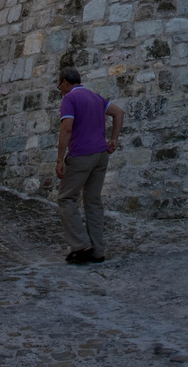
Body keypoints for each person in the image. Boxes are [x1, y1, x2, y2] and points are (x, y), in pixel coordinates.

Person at [55, 66, 124, 264]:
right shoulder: (95, 97)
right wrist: (113, 139)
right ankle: (97, 251)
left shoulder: (69, 98)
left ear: (66, 83)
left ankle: (80, 244)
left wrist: (60, 159)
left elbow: (67, 128)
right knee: (93, 201)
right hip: (101, 155)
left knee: (66, 198)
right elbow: (119, 113)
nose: (60, 90)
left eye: (60, 86)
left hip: (81, 155)